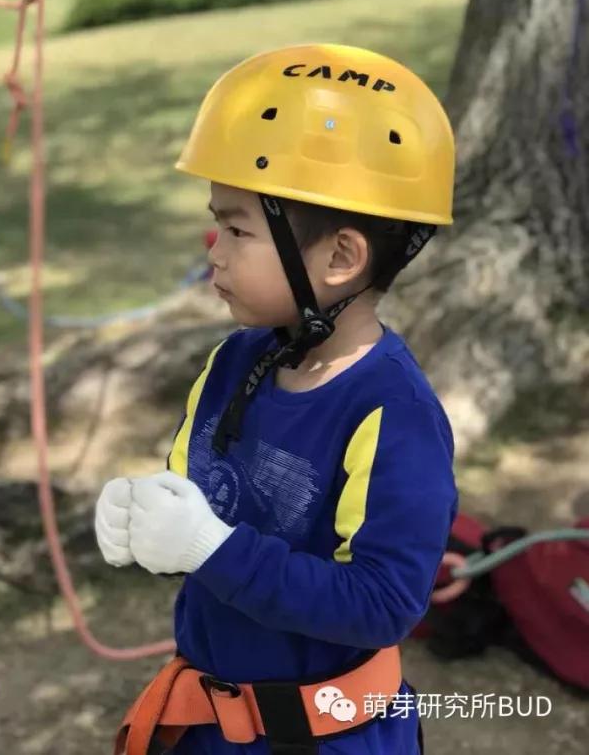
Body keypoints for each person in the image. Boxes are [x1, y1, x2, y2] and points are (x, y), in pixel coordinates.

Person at [95, 43, 460, 755]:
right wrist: (146, 519)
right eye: (216, 223)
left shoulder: (394, 416)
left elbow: (383, 604)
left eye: (237, 229)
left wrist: (212, 550)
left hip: (326, 736)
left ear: (340, 258)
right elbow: (196, 497)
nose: (214, 250)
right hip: (209, 723)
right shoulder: (235, 362)